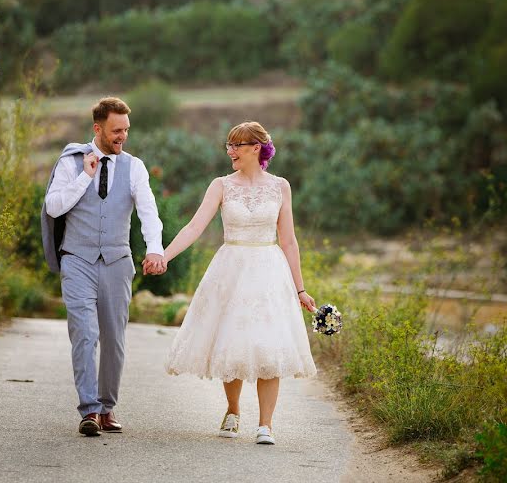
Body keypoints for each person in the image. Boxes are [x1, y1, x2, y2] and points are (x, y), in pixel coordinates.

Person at [153, 121, 317, 446]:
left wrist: (300, 288)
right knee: (234, 343)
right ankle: (232, 410)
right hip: (232, 268)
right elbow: (194, 227)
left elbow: (289, 241)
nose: (230, 152)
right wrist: (164, 255)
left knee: (267, 346)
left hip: (269, 271)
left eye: (236, 145)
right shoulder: (221, 185)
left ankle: (266, 425)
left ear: (257, 147)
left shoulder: (280, 187)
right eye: (228, 145)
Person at [41, 97, 167, 437]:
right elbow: (53, 207)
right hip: (77, 258)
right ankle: (89, 411)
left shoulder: (135, 167)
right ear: (97, 128)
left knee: (114, 338)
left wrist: (155, 249)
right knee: (85, 333)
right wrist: (85, 176)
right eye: (116, 130)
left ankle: (107, 407)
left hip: (116, 260)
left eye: (126, 129)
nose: (122, 136)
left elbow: (148, 212)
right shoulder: (71, 162)